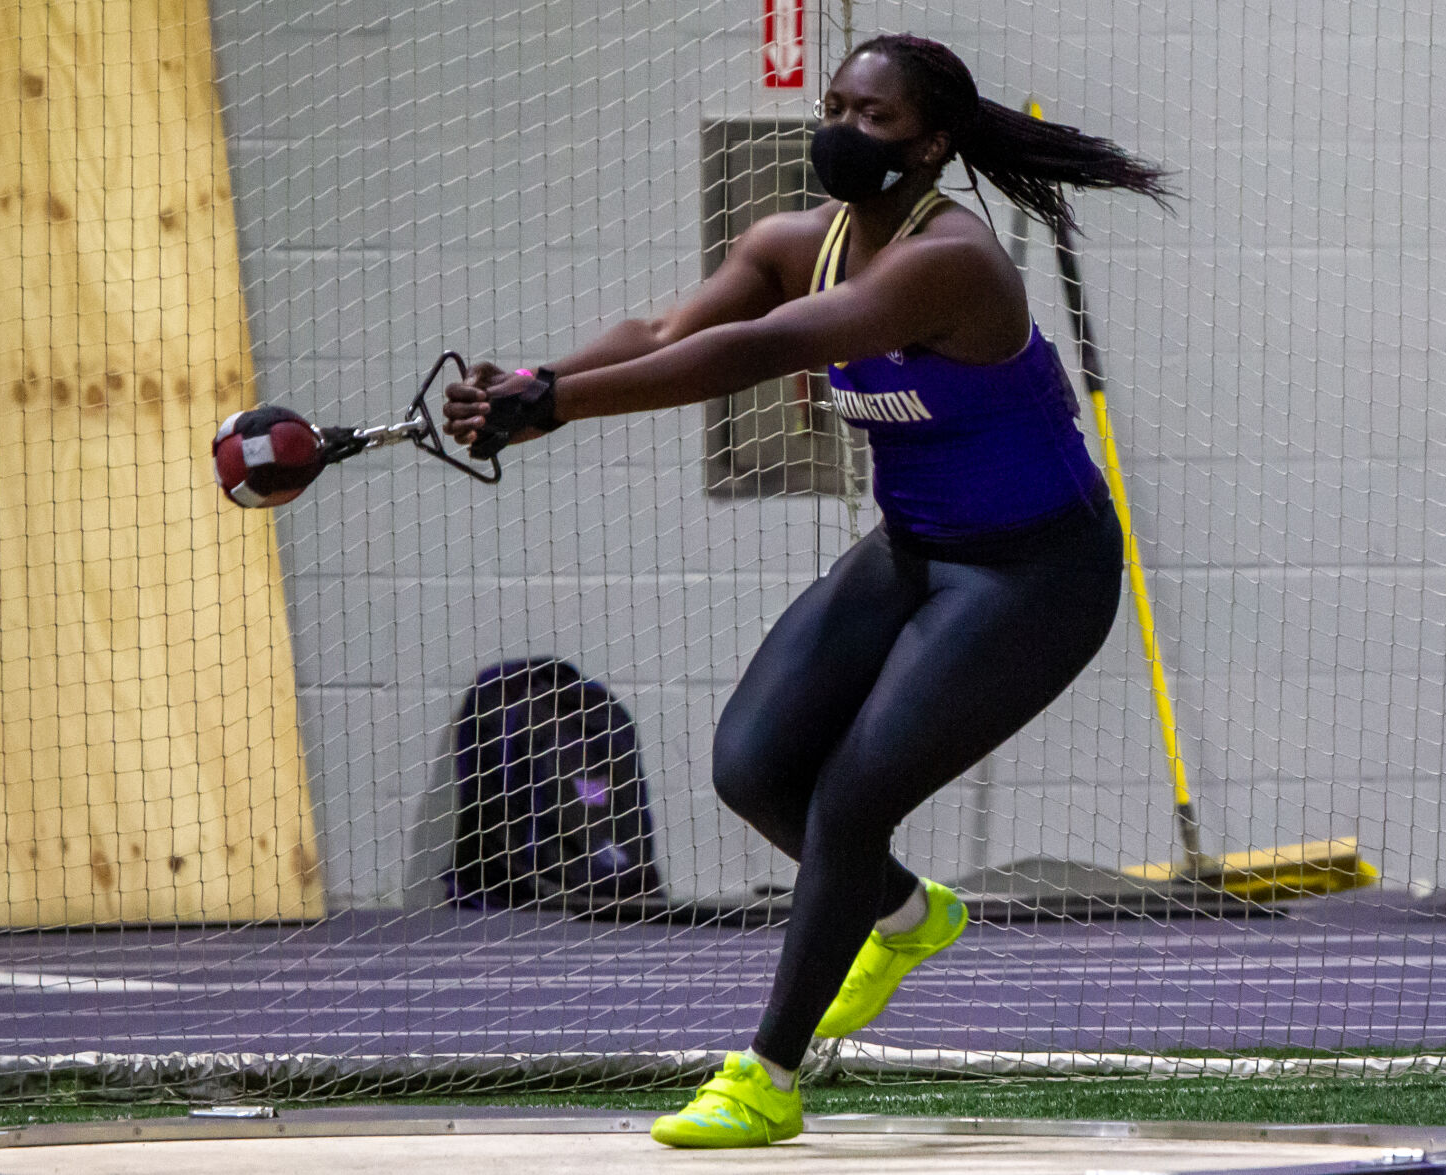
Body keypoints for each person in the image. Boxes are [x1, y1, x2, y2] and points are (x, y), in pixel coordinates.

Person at [443, 32, 1171, 1150]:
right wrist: (539, 380)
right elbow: (664, 331)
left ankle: (768, 1074)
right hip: (914, 546)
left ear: (930, 143)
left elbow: (760, 348)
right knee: (751, 764)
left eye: (871, 116)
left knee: (847, 795)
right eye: (832, 104)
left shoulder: (953, 260)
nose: (839, 128)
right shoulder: (791, 239)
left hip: (1036, 570)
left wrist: (561, 403)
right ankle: (905, 912)